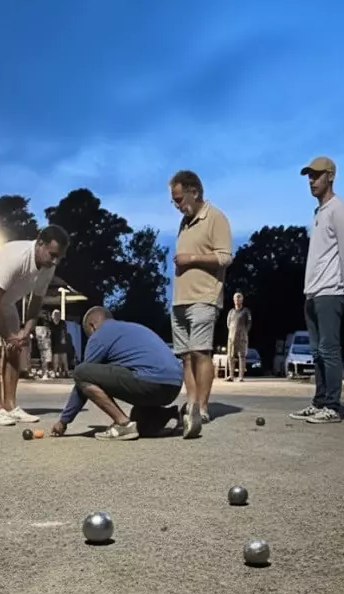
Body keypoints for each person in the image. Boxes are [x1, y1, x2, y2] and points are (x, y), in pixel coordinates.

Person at [0, 226, 70, 426]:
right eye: (53, 255)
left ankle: (11, 406)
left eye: (60, 257)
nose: (55, 261)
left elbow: (36, 301)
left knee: (15, 348)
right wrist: (7, 336)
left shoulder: (49, 267)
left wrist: (25, 331)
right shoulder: (17, 256)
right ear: (40, 244)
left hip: (6, 301)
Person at [289, 156, 344, 424]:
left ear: (330, 176)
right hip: (313, 291)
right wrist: (309, 289)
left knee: (329, 348)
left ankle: (332, 406)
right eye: (309, 176)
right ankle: (319, 401)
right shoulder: (319, 212)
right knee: (316, 351)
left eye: (316, 175)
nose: (311, 181)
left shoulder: (340, 209)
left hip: (331, 290)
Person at [50, 307, 183, 441]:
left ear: (92, 326)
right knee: (140, 423)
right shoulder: (131, 329)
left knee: (81, 371)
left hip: (149, 381)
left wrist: (64, 421)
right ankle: (173, 414)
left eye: (88, 334)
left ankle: (123, 424)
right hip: (173, 386)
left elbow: (82, 378)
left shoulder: (100, 334)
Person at [169, 170, 232, 438]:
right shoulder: (184, 222)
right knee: (185, 356)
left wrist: (192, 258)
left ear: (194, 192)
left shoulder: (215, 217)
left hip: (204, 297)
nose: (176, 205)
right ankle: (192, 405)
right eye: (173, 200)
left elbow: (225, 257)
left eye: (179, 199)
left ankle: (203, 407)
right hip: (180, 300)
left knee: (200, 352)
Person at [226, 293, 251, 382]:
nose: (237, 300)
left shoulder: (246, 311)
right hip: (231, 337)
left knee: (242, 356)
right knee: (230, 356)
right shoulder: (231, 312)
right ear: (233, 300)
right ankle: (231, 376)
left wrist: (244, 332)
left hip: (242, 337)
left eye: (239, 298)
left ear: (242, 300)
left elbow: (249, 323)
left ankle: (241, 376)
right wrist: (232, 332)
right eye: (236, 298)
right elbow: (228, 324)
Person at [50, 309, 69, 377]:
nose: (57, 316)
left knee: (64, 357)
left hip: (61, 342)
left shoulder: (62, 322)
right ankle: (55, 371)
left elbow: (63, 331)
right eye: (55, 314)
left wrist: (63, 339)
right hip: (54, 342)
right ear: (53, 316)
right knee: (56, 357)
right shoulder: (51, 323)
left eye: (58, 314)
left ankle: (66, 372)